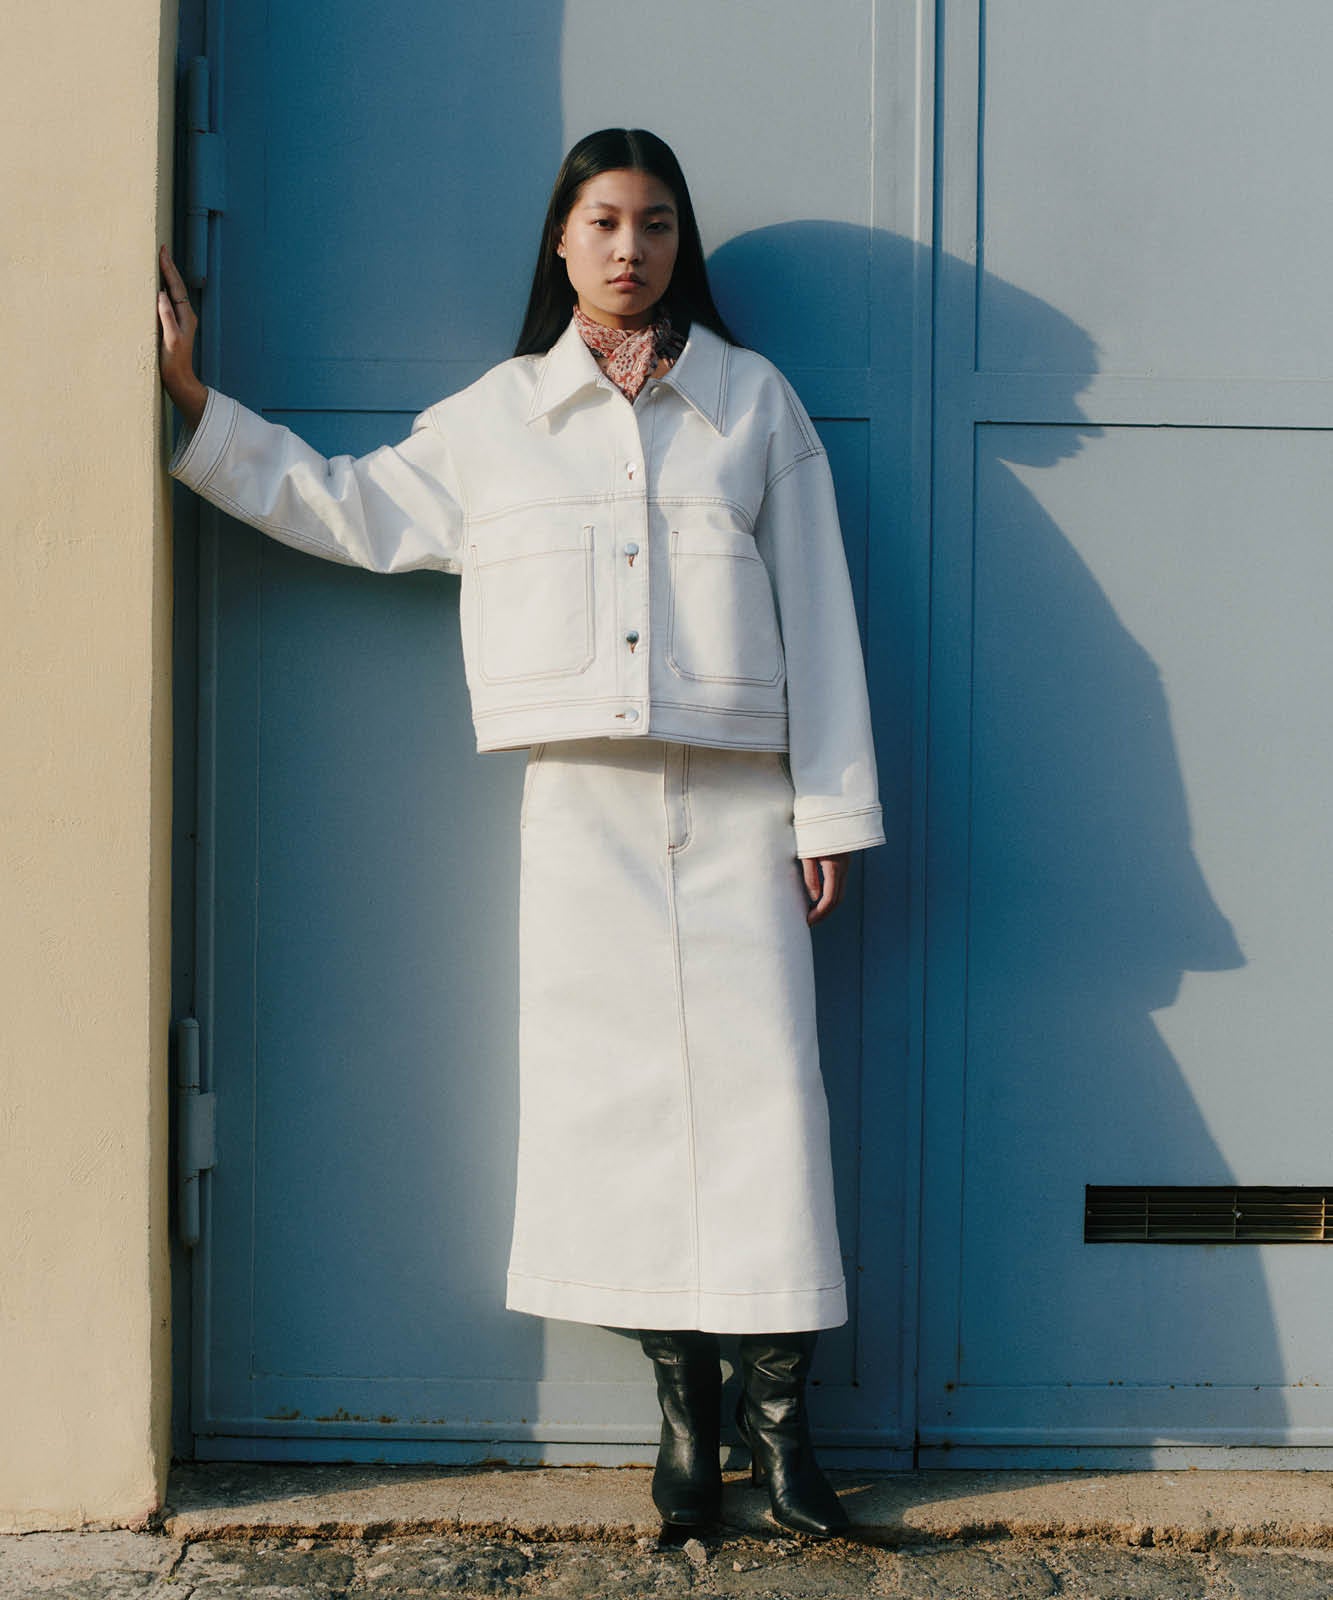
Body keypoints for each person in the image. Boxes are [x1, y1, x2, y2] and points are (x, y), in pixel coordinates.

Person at [159, 128, 884, 1539]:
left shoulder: (750, 405)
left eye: (658, 224)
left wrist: (827, 809)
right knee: (602, 1115)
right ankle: (687, 1434)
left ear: (682, 246)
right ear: (560, 240)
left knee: (764, 1115)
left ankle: (787, 1439)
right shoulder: (498, 418)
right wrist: (198, 409)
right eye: (605, 221)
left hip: (736, 804)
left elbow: (821, 610)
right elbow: (352, 506)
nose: (630, 249)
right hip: (580, 808)